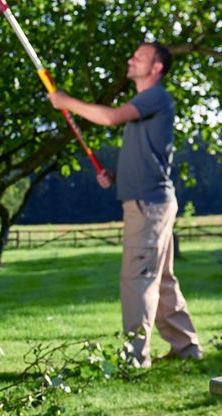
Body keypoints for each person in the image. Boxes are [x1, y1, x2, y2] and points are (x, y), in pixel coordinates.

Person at [48, 41, 200, 367]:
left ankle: (134, 358)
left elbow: (112, 118)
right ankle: (186, 348)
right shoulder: (145, 102)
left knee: (138, 280)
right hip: (150, 201)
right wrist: (115, 175)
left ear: (156, 67)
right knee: (162, 279)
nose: (131, 59)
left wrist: (66, 102)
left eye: (139, 57)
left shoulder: (155, 96)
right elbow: (147, 156)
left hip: (148, 205)